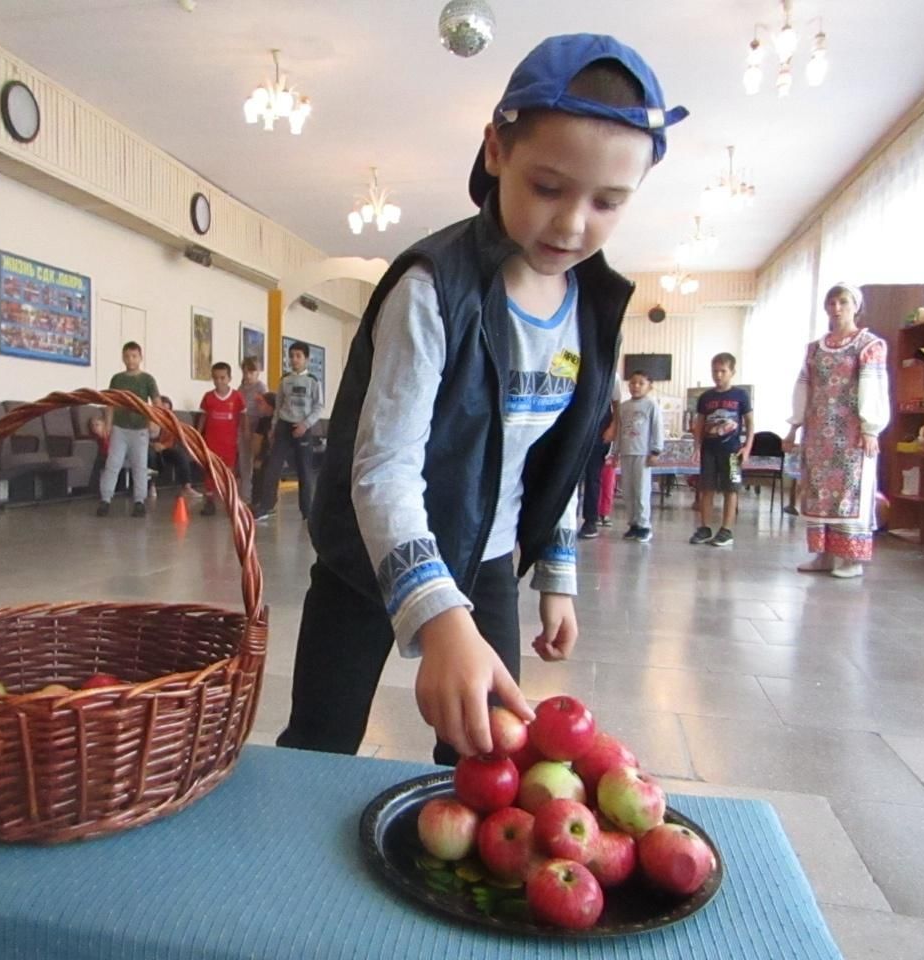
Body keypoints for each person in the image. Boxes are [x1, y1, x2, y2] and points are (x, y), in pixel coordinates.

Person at [275, 34, 686, 763]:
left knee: (486, 758)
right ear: (497, 150)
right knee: (319, 740)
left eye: (608, 202)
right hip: (371, 555)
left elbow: (548, 459)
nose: (571, 223)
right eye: (549, 187)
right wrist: (438, 616)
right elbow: (383, 471)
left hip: (490, 558)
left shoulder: (592, 307)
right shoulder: (433, 289)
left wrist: (555, 575)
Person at [784, 283, 889, 579]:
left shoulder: (869, 345)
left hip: (851, 433)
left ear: (856, 305)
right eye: (831, 302)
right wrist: (794, 426)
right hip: (818, 433)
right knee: (818, 491)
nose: (837, 307)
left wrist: (871, 428)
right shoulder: (815, 349)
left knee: (848, 492)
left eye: (843, 301)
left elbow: (873, 386)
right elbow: (803, 387)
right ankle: (824, 555)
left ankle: (849, 559)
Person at [253, 342, 324, 522]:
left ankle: (308, 512)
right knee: (272, 468)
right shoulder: (284, 380)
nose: (294, 359)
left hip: (302, 428)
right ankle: (266, 506)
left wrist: (305, 425)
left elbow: (318, 407)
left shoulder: (313, 382)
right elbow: (278, 406)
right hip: (284, 427)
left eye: (298, 356)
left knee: (304, 472)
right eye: (291, 356)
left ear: (306, 359)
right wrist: (274, 427)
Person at [690, 353, 753, 547]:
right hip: (709, 450)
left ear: (732, 372)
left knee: (730, 489)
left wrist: (747, 447)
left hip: (732, 451)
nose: (718, 375)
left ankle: (726, 530)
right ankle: (705, 527)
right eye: (715, 371)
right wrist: (697, 447)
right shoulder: (705, 397)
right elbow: (699, 424)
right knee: (706, 488)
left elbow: (750, 424)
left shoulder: (741, 395)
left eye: (722, 371)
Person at [96, 341, 159, 518]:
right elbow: (110, 402)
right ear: (123, 358)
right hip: (119, 428)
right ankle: (105, 499)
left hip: (140, 428)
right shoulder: (117, 379)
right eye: (127, 356)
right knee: (113, 464)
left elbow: (156, 401)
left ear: (140, 357)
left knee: (140, 465)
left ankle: (139, 501)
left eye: (134, 356)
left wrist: (155, 420)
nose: (130, 360)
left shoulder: (147, 379)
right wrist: (108, 423)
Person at [617, 370, 664, 543]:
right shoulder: (624, 406)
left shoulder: (651, 405)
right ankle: (633, 524)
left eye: (640, 383)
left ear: (649, 386)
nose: (635, 386)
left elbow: (657, 428)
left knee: (641, 490)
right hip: (626, 452)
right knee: (628, 491)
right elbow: (619, 431)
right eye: (632, 382)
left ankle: (644, 526)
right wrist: (615, 451)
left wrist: (656, 450)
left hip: (642, 454)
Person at [198, 362, 246, 516]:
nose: (219, 381)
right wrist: (198, 435)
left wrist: (245, 436)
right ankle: (210, 500)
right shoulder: (208, 397)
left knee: (228, 472)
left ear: (229, 378)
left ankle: (230, 500)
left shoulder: (237, 397)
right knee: (210, 472)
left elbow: (243, 417)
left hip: (229, 443)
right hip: (211, 443)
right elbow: (203, 417)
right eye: (215, 378)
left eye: (222, 378)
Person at [578, 374, 622, 538]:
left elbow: (616, 405)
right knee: (570, 477)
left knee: (593, 477)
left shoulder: (612, 375)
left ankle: (590, 521)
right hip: (577, 427)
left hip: (599, 430)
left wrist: (613, 427)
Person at [149, 396, 197, 500]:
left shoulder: (171, 422)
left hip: (164, 448)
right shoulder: (148, 419)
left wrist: (163, 446)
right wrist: (153, 445)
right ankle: (151, 485)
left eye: (167, 410)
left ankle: (186, 487)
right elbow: (141, 438)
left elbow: (172, 440)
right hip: (149, 448)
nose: (164, 412)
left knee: (180, 455)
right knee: (151, 455)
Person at [237, 358, 268, 507]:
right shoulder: (240, 389)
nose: (248, 375)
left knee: (257, 462)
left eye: (252, 371)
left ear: (258, 372)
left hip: (258, 427)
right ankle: (245, 497)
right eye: (246, 371)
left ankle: (259, 497)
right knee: (244, 463)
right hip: (243, 427)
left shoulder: (261, 388)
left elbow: (265, 409)